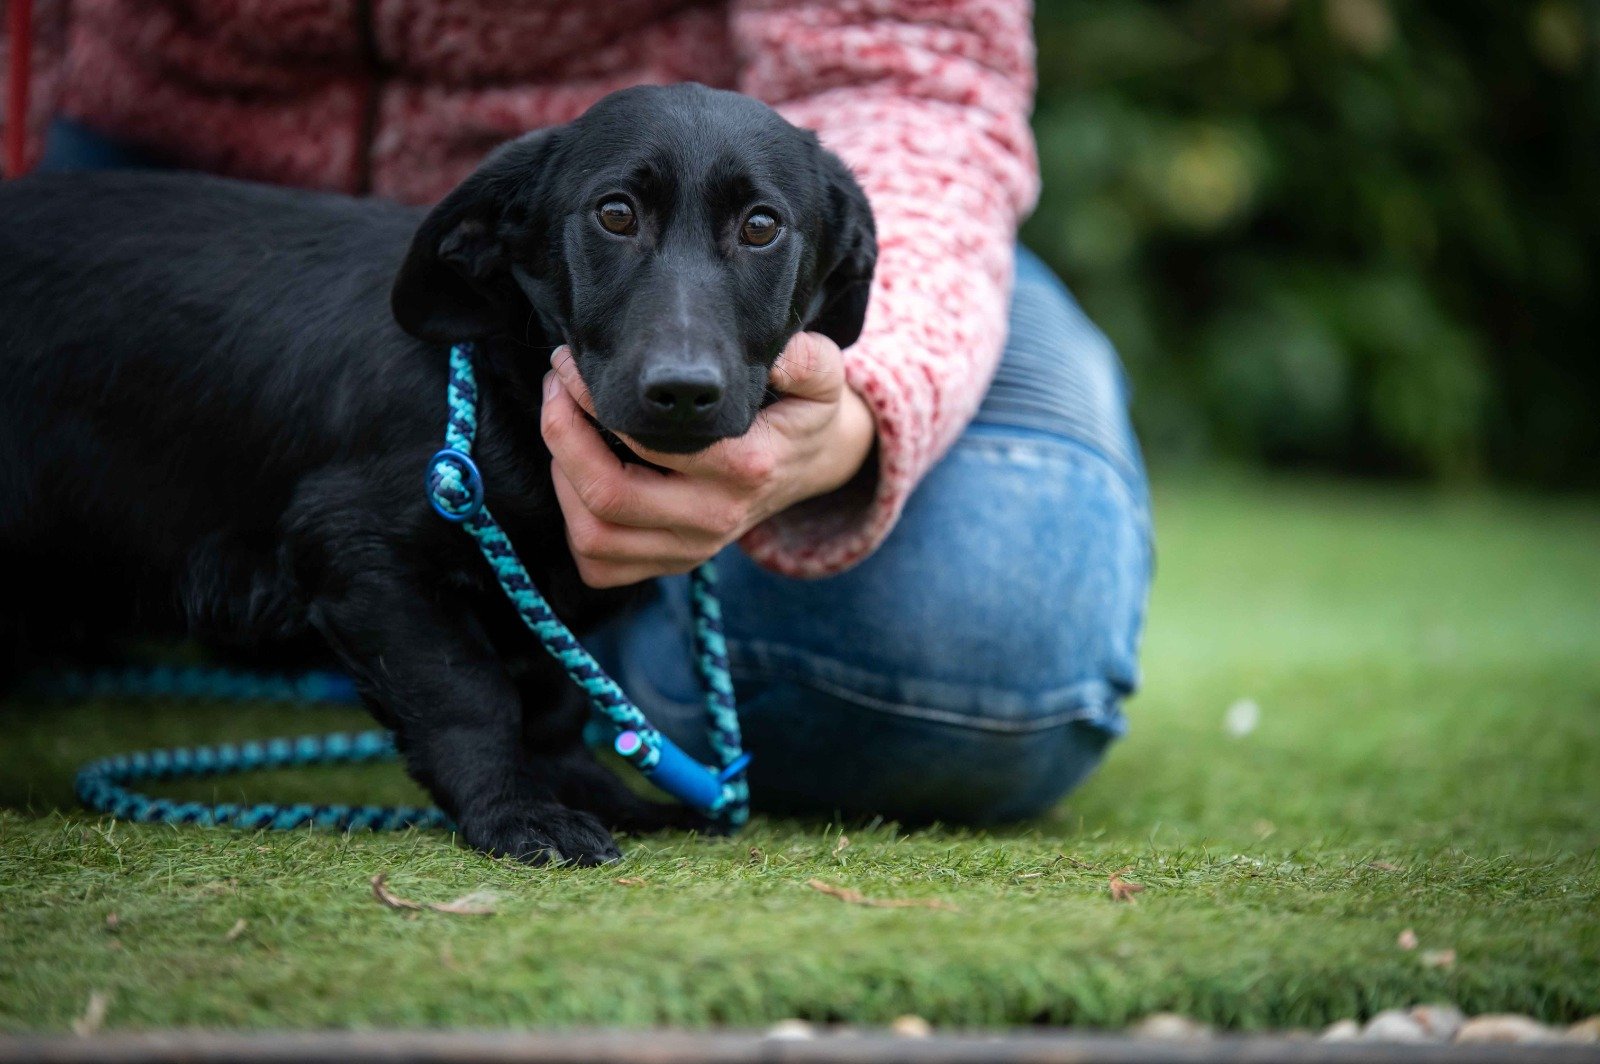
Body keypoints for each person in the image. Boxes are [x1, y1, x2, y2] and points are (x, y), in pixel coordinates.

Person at [5, 0, 1151, 823]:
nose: (684, 356)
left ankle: (591, 648)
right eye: (618, 218)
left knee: (991, 639)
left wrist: (856, 413)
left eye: (760, 233)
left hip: (836, 146)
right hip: (147, 182)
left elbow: (914, 71)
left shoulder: (829, 220)